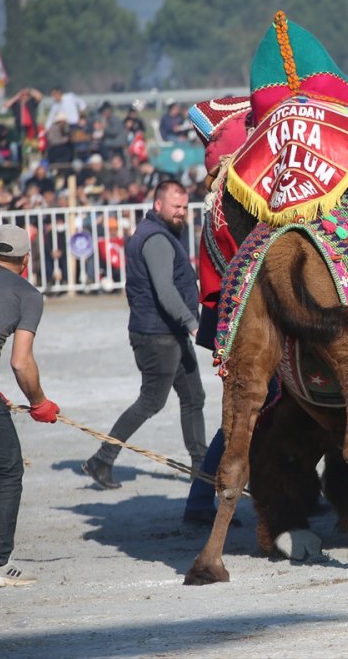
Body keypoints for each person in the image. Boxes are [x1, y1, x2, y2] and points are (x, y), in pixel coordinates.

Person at [82, 180, 207, 489]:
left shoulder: (158, 234)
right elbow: (165, 290)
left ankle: (202, 472)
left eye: (184, 207)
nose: (181, 213)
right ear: (157, 205)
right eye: (175, 207)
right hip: (158, 335)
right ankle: (102, 459)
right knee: (151, 400)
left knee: (194, 397)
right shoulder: (157, 240)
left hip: (168, 333)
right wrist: (192, 323)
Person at [0, 225, 60, 588]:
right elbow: (20, 362)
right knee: (7, 470)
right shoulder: (27, 293)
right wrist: (39, 402)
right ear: (26, 261)